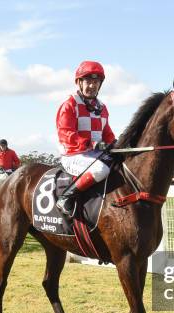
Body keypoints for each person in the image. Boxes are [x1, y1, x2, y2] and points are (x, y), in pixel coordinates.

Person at [55, 60, 116, 217]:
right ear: (79, 83)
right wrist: (93, 144)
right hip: (73, 155)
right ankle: (66, 197)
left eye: (96, 82)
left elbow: (107, 133)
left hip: (94, 154)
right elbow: (66, 134)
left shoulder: (102, 107)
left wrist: (115, 144)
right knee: (100, 169)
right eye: (88, 81)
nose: (92, 85)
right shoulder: (70, 105)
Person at [0, 139, 20, 206]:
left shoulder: (12, 152)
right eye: (1, 146)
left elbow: (17, 161)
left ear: (6, 145)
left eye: (4, 146)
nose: (3, 147)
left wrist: (13, 166)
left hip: (9, 170)